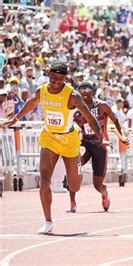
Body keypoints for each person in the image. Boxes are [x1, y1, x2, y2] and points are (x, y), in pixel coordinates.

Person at [0, 62, 108, 234]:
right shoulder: (41, 90)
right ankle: (48, 221)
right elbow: (31, 102)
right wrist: (16, 118)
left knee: (74, 186)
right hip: (49, 137)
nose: (56, 81)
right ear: (48, 74)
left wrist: (101, 138)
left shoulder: (73, 96)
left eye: (60, 79)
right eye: (53, 77)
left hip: (69, 139)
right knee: (44, 180)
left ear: (65, 78)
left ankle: (75, 169)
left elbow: (88, 116)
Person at [68, 81, 129, 213]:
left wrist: (122, 137)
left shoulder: (102, 106)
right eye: (81, 88)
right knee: (73, 167)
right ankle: (72, 203)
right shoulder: (75, 110)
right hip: (85, 143)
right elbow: (68, 124)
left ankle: (104, 192)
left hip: (100, 146)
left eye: (87, 88)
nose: (84, 91)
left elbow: (116, 120)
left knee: (97, 185)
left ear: (93, 90)